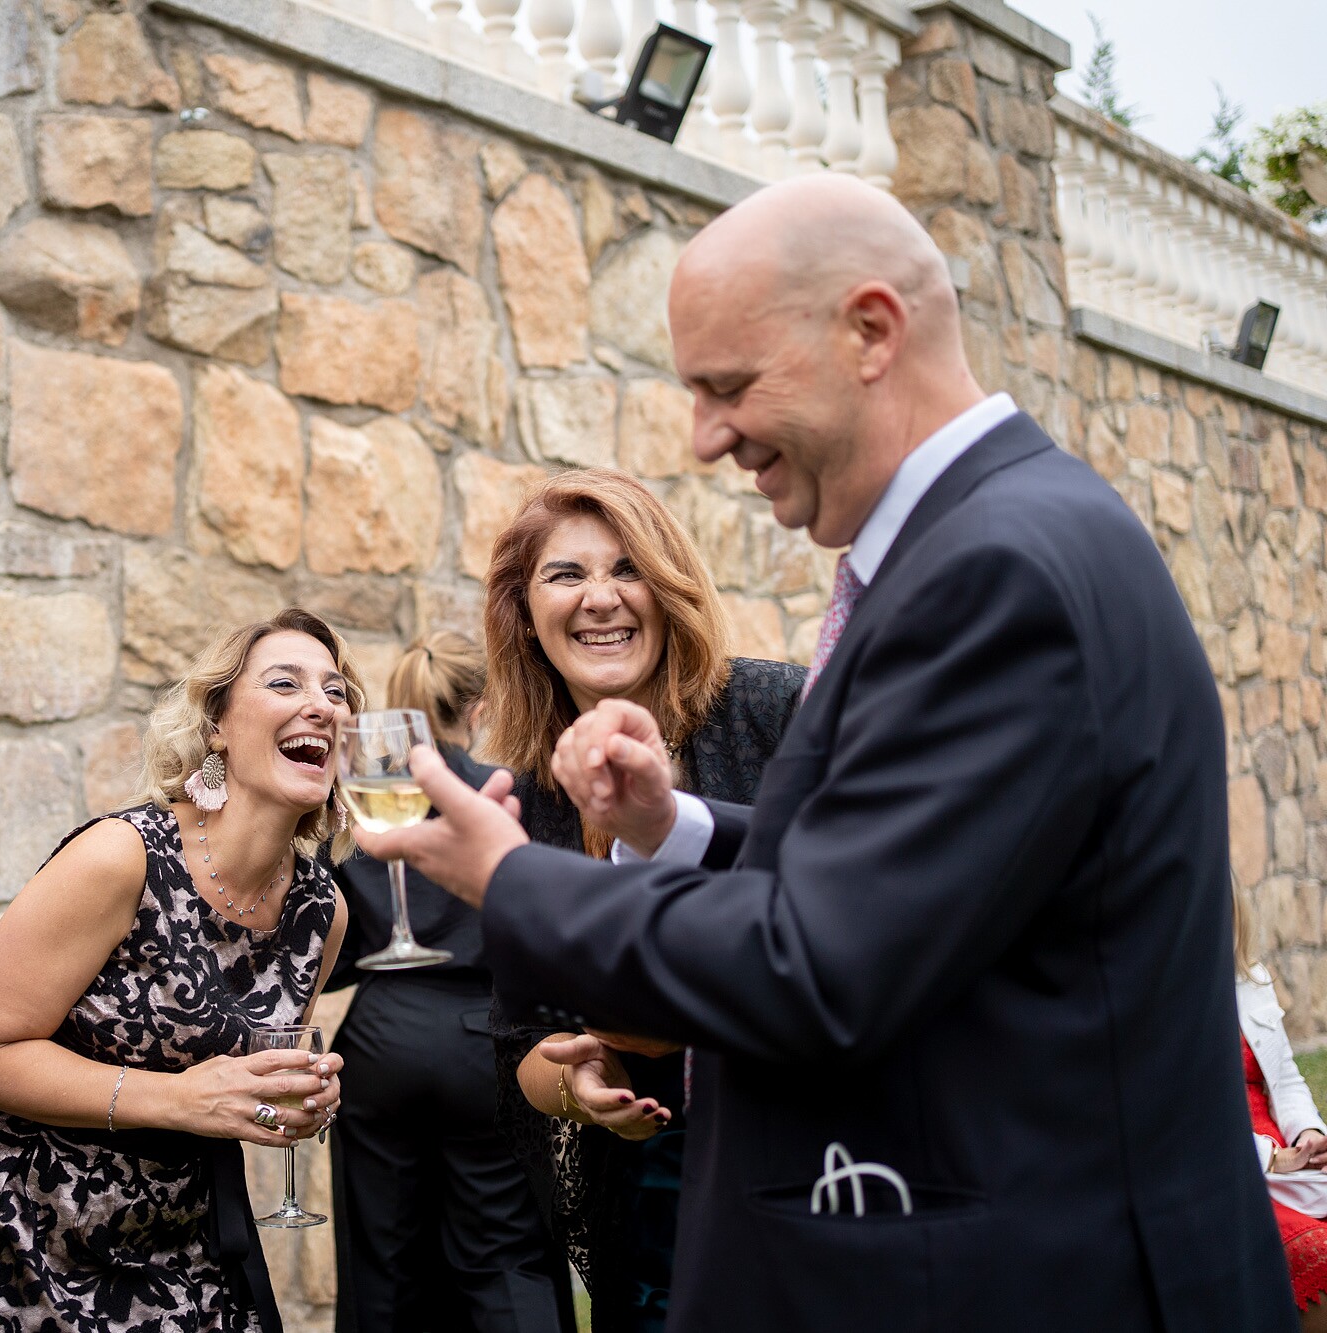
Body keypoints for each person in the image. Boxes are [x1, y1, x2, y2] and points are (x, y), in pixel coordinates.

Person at [355, 173, 1293, 1332]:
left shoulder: (993, 573)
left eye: (728, 386)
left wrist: (505, 874)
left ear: (868, 333)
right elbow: (913, 874)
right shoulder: (1007, 533)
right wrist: (671, 826)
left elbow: (819, 963)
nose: (704, 437)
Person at [0, 608, 356, 1332]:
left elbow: (237, 1084)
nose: (321, 705)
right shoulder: (122, 856)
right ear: (217, 726)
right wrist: (178, 1100)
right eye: (284, 683)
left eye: (337, 691)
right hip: (11, 1232)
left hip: (179, 1241)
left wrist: (288, 1106)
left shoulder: (322, 911)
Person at [476, 468, 802, 1331]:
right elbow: (521, 1043)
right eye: (566, 574)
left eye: (627, 569)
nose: (600, 598)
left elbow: (851, 904)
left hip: (807, 1168)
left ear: (669, 587)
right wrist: (580, 1082)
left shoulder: (775, 712)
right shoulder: (527, 796)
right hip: (651, 1198)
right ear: (525, 613)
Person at [325, 631, 574, 1333]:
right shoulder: (511, 795)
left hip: (379, 1041)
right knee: (508, 1252)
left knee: (382, 1264)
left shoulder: (363, 798)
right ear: (482, 706)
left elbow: (337, 953)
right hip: (487, 1043)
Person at [1236, 892, 1327, 1329]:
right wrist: (1272, 1158)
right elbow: (1177, 1112)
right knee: (1317, 1255)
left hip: (1286, 1152)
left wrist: (1308, 1134)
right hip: (1229, 1163)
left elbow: (1285, 1078)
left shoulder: (1251, 979)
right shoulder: (1159, 993)